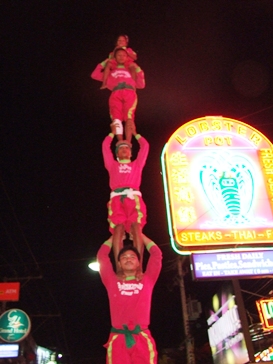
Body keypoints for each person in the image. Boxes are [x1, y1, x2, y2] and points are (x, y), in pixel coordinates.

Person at [97, 233, 162, 364]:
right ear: (119, 264)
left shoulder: (147, 280)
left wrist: (141, 236)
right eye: (124, 257)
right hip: (118, 338)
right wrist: (114, 237)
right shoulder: (111, 281)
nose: (128, 259)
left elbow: (156, 255)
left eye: (133, 257)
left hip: (142, 337)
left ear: (139, 263)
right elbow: (102, 257)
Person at [102, 120, 149, 273]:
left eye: (127, 148)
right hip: (116, 198)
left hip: (133, 197)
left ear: (131, 152)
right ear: (117, 154)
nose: (124, 150)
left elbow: (145, 147)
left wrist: (135, 133)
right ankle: (119, 268)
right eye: (121, 148)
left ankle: (139, 267)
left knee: (136, 227)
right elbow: (104, 147)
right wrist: (111, 133)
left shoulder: (137, 165)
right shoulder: (112, 165)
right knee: (118, 229)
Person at [91, 47, 145, 142]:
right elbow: (94, 74)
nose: (121, 57)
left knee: (129, 117)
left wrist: (138, 69)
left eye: (124, 55)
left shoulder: (131, 69)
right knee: (116, 118)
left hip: (129, 92)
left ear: (127, 57)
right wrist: (106, 62)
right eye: (119, 55)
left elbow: (141, 84)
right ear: (114, 57)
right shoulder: (110, 73)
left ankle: (128, 142)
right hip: (115, 93)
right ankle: (120, 142)